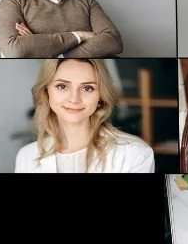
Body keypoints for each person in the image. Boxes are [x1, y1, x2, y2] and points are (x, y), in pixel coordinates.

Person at [13, 57, 154, 173]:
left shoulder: (135, 154)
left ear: (100, 97)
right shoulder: (26, 156)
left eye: (87, 88)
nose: (74, 99)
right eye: (62, 86)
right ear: (46, 91)